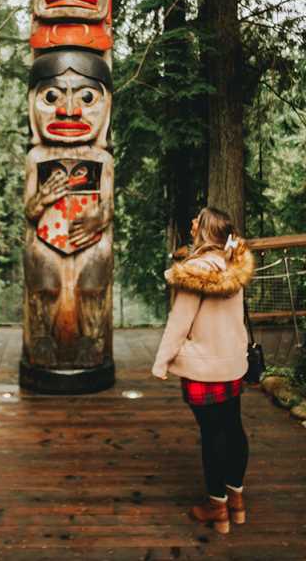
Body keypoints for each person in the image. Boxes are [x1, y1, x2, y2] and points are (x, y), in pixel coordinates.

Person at [151, 206, 255, 534]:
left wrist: (161, 361)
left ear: (205, 230)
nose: (192, 220)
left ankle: (217, 509)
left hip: (202, 369)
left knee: (212, 436)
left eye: (197, 218)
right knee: (233, 429)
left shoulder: (194, 271)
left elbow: (179, 323)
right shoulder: (233, 266)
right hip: (233, 364)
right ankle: (236, 501)